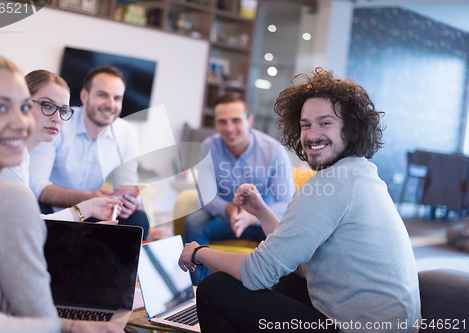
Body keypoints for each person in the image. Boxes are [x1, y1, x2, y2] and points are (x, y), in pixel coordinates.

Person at [179, 69, 421, 332]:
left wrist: (198, 252)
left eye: (325, 123)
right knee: (288, 280)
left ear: (351, 130)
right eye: (306, 124)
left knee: (215, 289)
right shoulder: (361, 174)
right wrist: (261, 211)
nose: (311, 135)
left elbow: (256, 272)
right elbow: (293, 255)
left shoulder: (328, 184)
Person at [0, 50, 124, 333]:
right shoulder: (4, 185)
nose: (20, 120)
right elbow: (36, 312)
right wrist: (77, 327)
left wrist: (86, 209)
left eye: (63, 110)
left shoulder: (18, 162)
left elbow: (26, 226)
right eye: (1, 108)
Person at [184, 93, 293, 283]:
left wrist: (252, 217)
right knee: (193, 222)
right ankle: (201, 290)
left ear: (249, 121)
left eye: (236, 120)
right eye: (222, 122)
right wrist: (229, 209)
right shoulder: (208, 147)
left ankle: (276, 291)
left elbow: (286, 203)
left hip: (263, 221)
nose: (229, 128)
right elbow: (206, 196)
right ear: (216, 124)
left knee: (287, 231)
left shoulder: (274, 150)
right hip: (227, 217)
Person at [29, 66, 150, 238]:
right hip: (50, 209)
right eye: (102, 95)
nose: (110, 104)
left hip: (93, 211)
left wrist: (131, 202)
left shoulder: (126, 132)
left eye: (117, 98)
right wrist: (87, 198)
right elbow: (36, 185)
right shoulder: (58, 121)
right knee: (34, 209)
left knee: (139, 220)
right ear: (85, 96)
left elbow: (126, 187)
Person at [0, 69, 121, 222]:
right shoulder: (7, 158)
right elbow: (30, 227)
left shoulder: (20, 154)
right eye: (48, 105)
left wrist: (89, 207)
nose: (57, 118)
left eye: (63, 110)